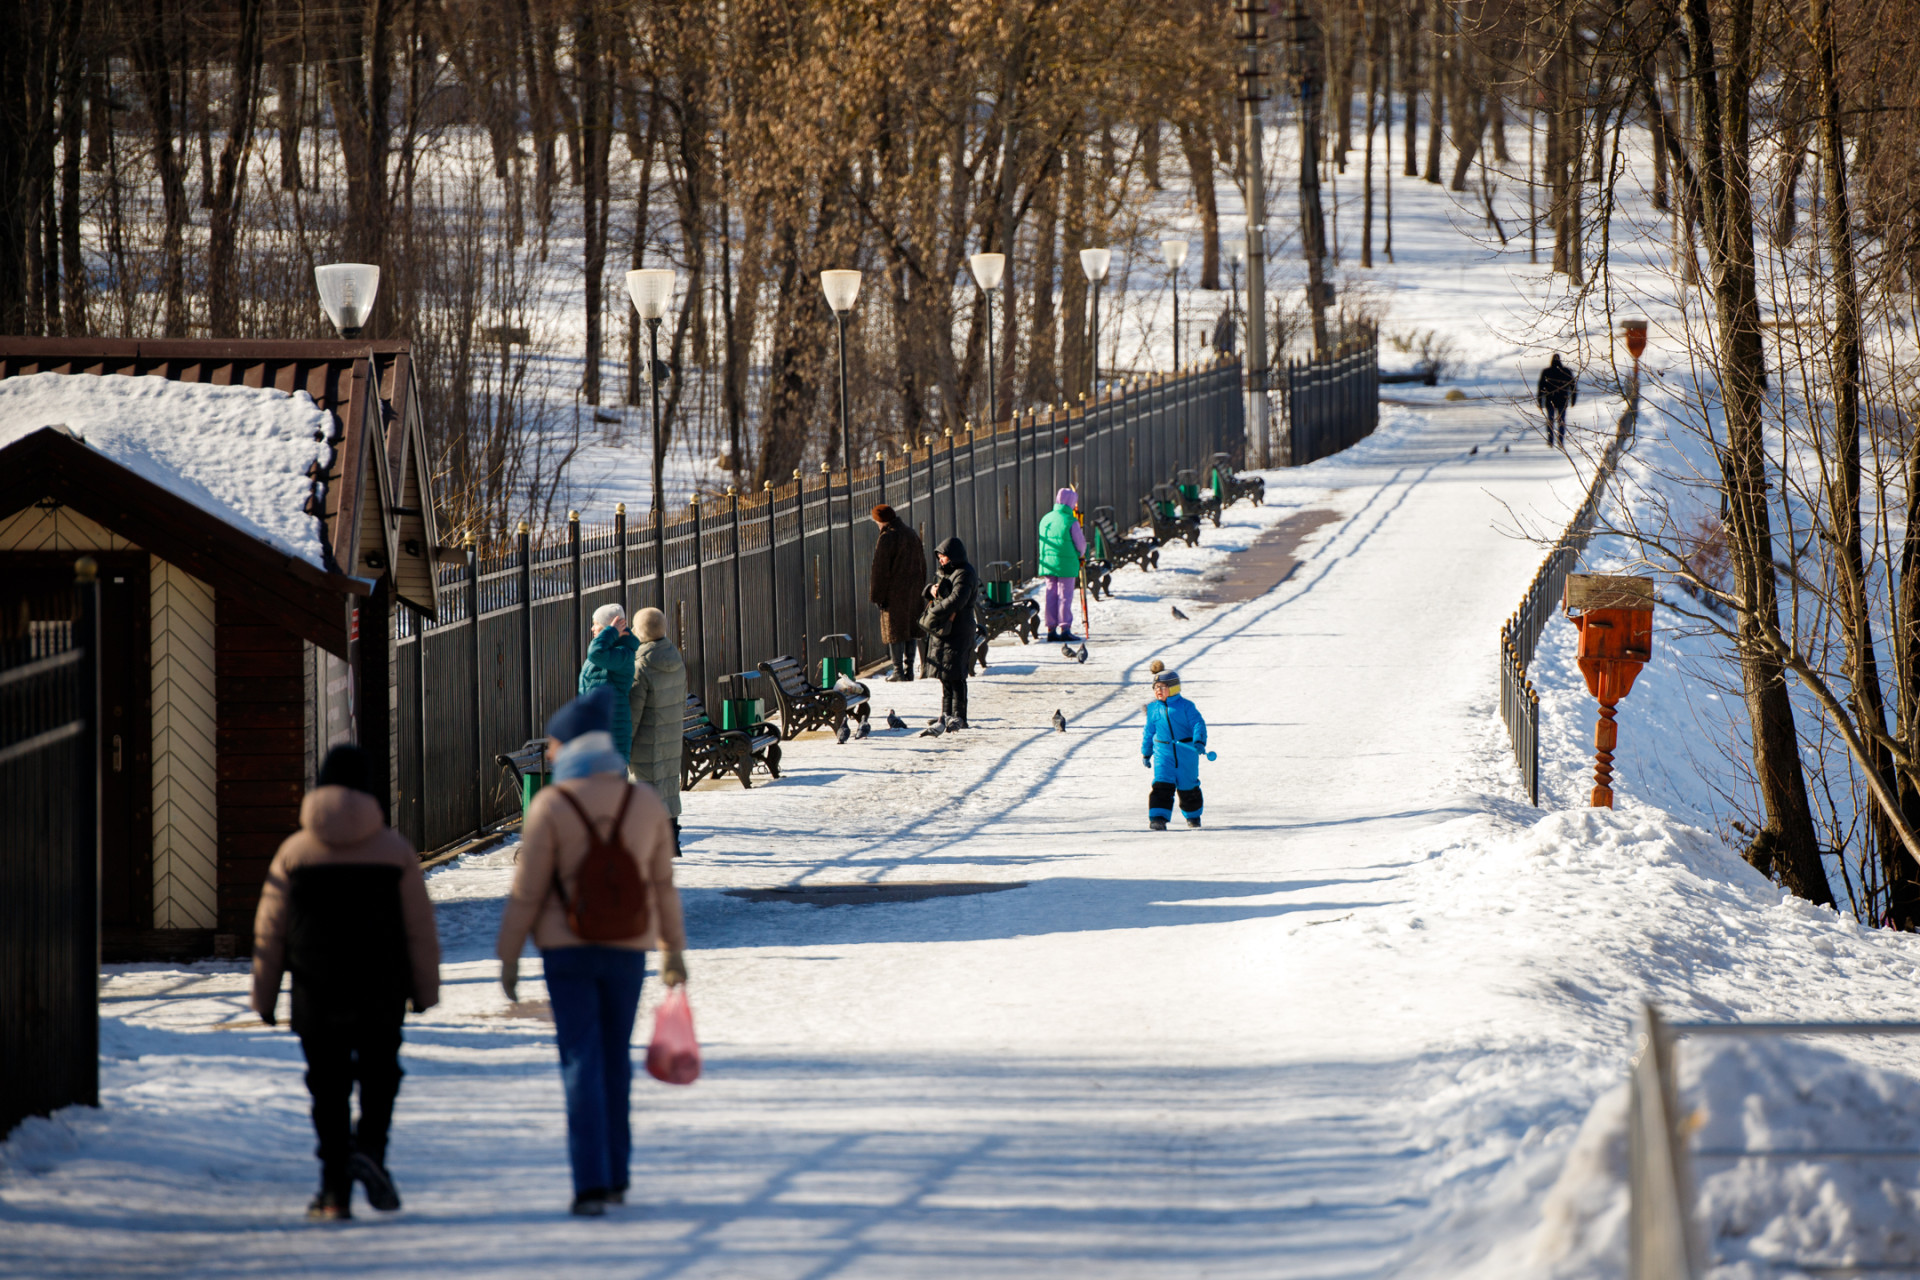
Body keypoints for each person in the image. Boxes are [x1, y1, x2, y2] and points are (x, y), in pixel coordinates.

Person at [496, 687, 688, 1217]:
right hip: (628, 948)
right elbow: (661, 885)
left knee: (581, 1058)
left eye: (555, 743)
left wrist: (509, 954)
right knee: (613, 1061)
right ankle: (619, 1174)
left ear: (573, 745)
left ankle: (590, 1184)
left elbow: (528, 891)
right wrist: (673, 951)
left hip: (566, 952)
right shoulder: (643, 802)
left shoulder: (553, 805)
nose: (550, 752)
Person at [251, 744, 441, 1221]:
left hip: (316, 989)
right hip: (382, 987)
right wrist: (424, 991)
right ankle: (370, 1152)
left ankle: (334, 1191)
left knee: (328, 1088)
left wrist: (264, 995)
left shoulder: (294, 852)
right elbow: (418, 927)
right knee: (381, 1075)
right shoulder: (395, 851)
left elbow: (270, 932)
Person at [627, 606, 687, 853]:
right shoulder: (675, 659)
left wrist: (620, 745)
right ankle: (672, 842)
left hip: (645, 744)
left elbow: (632, 716)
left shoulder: (641, 668)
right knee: (668, 791)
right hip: (670, 738)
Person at [920, 536, 978, 729]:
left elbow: (957, 599)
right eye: (939, 557)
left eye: (943, 556)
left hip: (958, 630)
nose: (940, 560)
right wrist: (931, 590)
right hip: (945, 630)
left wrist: (934, 612)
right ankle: (945, 716)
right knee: (945, 675)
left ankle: (959, 717)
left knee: (956, 675)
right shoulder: (949, 572)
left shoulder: (965, 573)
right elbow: (942, 592)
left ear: (953, 556)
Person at [1141, 668, 1208, 831]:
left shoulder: (1186, 706)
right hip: (1163, 753)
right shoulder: (1153, 709)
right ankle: (1158, 818)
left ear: (1173, 688)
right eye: (1155, 687)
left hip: (1186, 752)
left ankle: (1193, 816)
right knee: (1161, 784)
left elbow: (1198, 723)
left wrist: (1199, 741)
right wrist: (1146, 751)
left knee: (1188, 786)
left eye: (1162, 687)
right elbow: (1149, 731)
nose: (1158, 691)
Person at [868, 504, 928, 681]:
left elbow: (880, 570)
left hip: (894, 594)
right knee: (910, 629)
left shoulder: (887, 537)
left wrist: (877, 596)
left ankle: (898, 671)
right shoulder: (910, 533)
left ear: (881, 521)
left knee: (894, 632)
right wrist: (920, 587)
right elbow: (922, 563)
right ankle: (909, 669)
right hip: (914, 590)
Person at [579, 603, 639, 760]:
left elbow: (595, 653)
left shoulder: (622, 653)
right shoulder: (610, 650)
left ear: (610, 627)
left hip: (611, 733)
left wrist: (611, 632)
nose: (592, 629)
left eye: (596, 624)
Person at [1036, 487, 1089, 644]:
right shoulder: (1071, 521)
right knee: (1064, 595)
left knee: (1050, 593)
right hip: (1066, 563)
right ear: (1070, 502)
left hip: (1048, 563)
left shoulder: (1046, 518)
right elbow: (1081, 545)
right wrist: (1081, 555)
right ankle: (1065, 628)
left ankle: (1051, 629)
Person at [1536, 353, 1577, 448]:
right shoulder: (1566, 371)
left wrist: (1539, 400)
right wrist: (1573, 399)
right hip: (1562, 400)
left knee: (1550, 421)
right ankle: (1560, 441)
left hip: (1550, 401)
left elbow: (1540, 387)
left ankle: (1550, 441)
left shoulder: (1546, 372)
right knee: (1561, 421)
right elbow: (1573, 386)